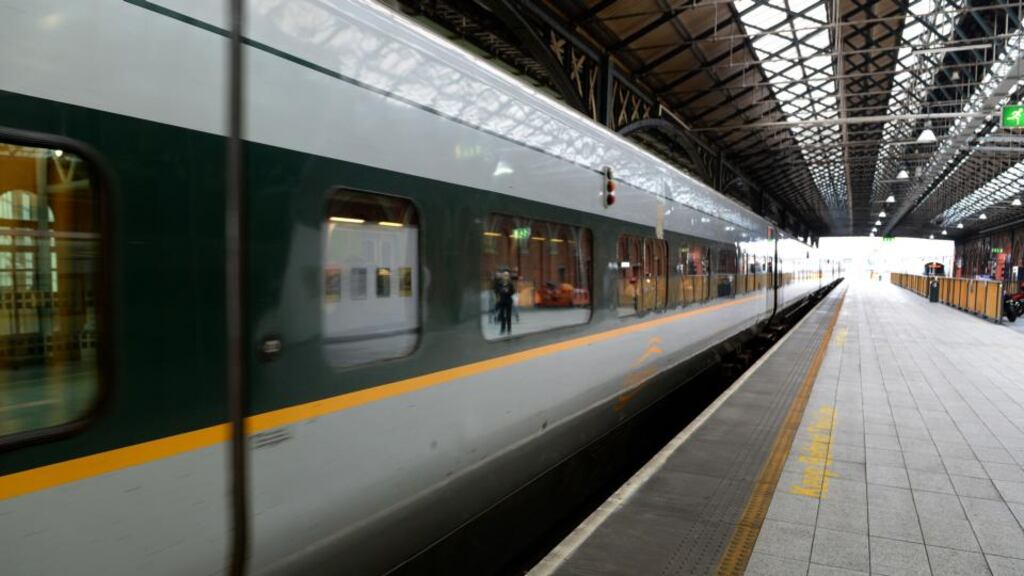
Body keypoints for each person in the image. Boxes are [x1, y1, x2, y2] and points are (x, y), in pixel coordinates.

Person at [494, 269, 515, 335]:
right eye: (504, 275)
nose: (505, 276)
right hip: (502, 301)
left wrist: (508, 291)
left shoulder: (510, 283)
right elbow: (496, 291)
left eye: (507, 275)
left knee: (508, 316)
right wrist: (501, 291)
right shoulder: (500, 283)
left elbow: (513, 291)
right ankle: (502, 329)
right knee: (502, 315)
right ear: (502, 276)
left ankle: (509, 329)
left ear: (508, 276)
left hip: (508, 301)